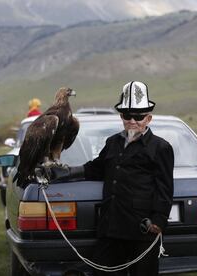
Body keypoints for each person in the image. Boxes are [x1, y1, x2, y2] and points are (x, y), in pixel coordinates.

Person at [45, 81, 174, 276]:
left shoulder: (161, 147)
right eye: (127, 115)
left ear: (148, 118)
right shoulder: (112, 142)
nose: (132, 120)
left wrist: (159, 220)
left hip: (143, 229)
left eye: (138, 116)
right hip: (111, 225)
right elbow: (96, 168)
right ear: (121, 117)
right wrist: (66, 172)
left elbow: (165, 187)